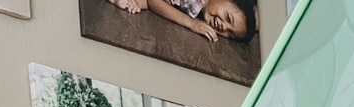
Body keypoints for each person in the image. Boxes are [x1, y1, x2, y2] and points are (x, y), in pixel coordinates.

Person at [106, 0, 257, 43]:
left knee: (138, 5)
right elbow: (154, 2)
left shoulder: (200, 10)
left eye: (229, 34)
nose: (223, 26)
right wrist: (191, 24)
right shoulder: (197, 4)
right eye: (228, 18)